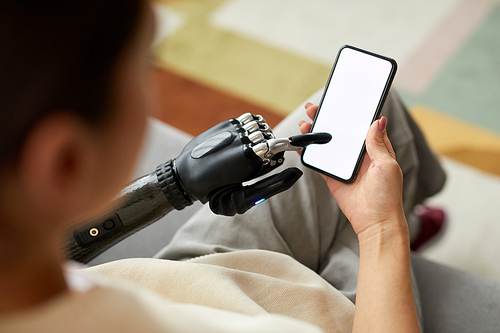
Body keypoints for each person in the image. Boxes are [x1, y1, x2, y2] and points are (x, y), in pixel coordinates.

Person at [0, 0, 446, 332]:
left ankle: (395, 215)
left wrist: (174, 183)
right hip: (287, 314)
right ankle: (401, 220)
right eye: (145, 66)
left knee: (364, 109)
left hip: (179, 276)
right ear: (65, 162)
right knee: (368, 158)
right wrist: (381, 230)